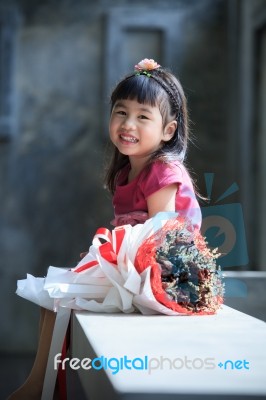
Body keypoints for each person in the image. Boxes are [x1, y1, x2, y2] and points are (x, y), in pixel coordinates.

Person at [8, 58, 202, 399]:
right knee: (51, 295)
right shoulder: (129, 171)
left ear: (168, 130)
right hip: (138, 269)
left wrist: (107, 262)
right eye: (121, 112)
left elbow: (162, 236)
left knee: (58, 293)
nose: (128, 124)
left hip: (167, 277)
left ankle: (39, 386)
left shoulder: (162, 171)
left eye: (143, 116)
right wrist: (105, 259)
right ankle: (42, 383)